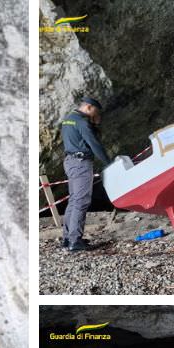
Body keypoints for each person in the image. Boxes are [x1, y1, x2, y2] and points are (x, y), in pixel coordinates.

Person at [59, 98, 110, 252]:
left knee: (74, 200)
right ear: (89, 107)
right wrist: (109, 162)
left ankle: (67, 238)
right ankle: (75, 241)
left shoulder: (68, 120)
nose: (96, 114)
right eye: (96, 111)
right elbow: (94, 144)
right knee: (81, 201)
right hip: (81, 163)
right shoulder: (82, 122)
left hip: (70, 161)